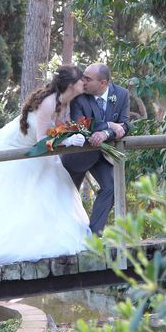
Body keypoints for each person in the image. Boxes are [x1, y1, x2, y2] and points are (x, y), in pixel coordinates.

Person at [0, 65, 90, 265]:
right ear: (70, 84)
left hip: (37, 150)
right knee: (9, 195)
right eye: (81, 80)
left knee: (51, 187)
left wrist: (72, 134)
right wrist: (67, 141)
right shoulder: (48, 102)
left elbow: (57, 132)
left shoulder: (67, 103)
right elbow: (43, 139)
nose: (84, 83)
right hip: (14, 146)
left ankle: (45, 236)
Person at [61, 63, 130, 235]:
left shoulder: (122, 94)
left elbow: (125, 125)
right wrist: (109, 125)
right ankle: (62, 234)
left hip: (101, 154)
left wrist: (106, 133)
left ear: (103, 83)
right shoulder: (79, 95)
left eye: (87, 78)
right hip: (78, 155)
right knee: (66, 196)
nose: (82, 81)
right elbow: (79, 124)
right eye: (83, 76)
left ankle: (94, 236)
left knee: (111, 187)